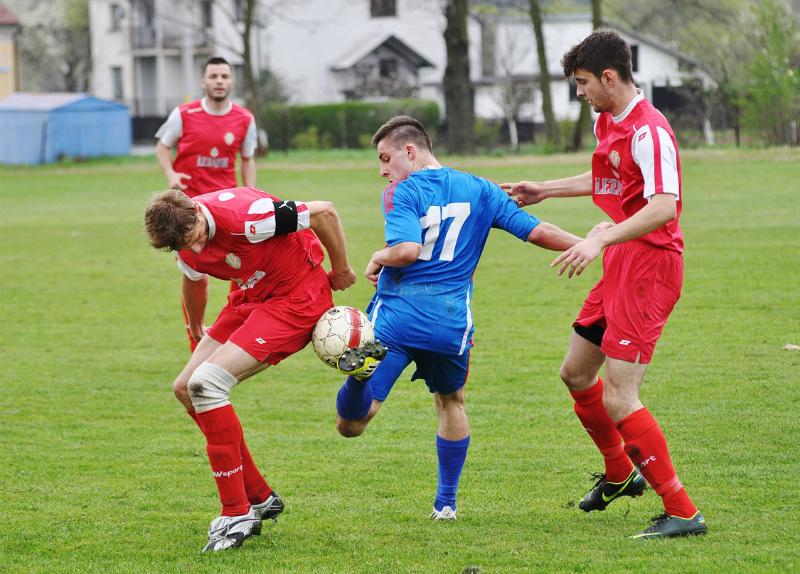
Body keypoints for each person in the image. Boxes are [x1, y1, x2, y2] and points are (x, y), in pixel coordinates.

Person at [502, 31, 707, 539]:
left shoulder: (650, 130)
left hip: (650, 266)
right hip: (621, 258)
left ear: (609, 78)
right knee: (575, 374)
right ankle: (620, 474)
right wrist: (545, 189)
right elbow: (610, 179)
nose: (580, 92)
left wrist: (599, 239)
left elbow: (663, 205)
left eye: (583, 82)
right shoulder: (606, 122)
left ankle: (684, 512)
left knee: (619, 397)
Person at [334, 116, 582, 520]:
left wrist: (379, 255)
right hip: (450, 325)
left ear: (409, 151)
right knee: (451, 401)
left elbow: (407, 250)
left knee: (353, 424)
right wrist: (594, 244)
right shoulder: (482, 188)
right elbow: (536, 231)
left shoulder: (401, 191)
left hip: (396, 318)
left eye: (384, 158)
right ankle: (446, 504)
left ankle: (360, 374)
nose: (382, 170)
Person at [144, 186, 356, 552]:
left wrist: (340, 269)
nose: (195, 250)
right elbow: (193, 279)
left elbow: (325, 212)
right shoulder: (183, 239)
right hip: (251, 296)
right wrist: (195, 324)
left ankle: (235, 512)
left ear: (197, 210)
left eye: (195, 238)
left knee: (207, 384)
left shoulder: (252, 219)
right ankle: (258, 496)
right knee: (184, 387)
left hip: (296, 299)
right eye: (183, 246)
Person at [155, 56, 258, 352]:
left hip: (226, 213)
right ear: (203, 81)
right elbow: (163, 147)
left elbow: (247, 159)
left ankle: (235, 337)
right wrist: (171, 173)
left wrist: (252, 194)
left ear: (231, 81)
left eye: (224, 76)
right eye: (213, 76)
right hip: (189, 211)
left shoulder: (244, 119)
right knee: (195, 273)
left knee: (241, 269)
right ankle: (195, 338)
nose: (219, 81)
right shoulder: (183, 114)